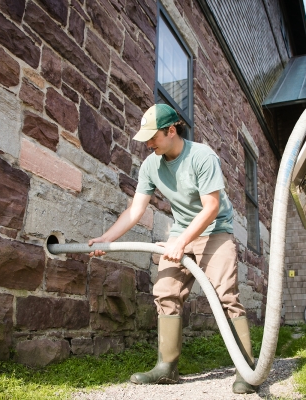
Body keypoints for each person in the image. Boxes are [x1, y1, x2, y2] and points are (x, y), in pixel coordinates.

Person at [88, 104, 257, 394]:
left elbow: (212, 207)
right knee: (165, 291)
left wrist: (181, 242)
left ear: (171, 130)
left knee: (225, 294)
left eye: (152, 137)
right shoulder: (151, 165)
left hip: (215, 230)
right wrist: (106, 238)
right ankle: (167, 367)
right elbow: (135, 210)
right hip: (181, 234)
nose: (148, 144)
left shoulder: (202, 156)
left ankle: (246, 369)